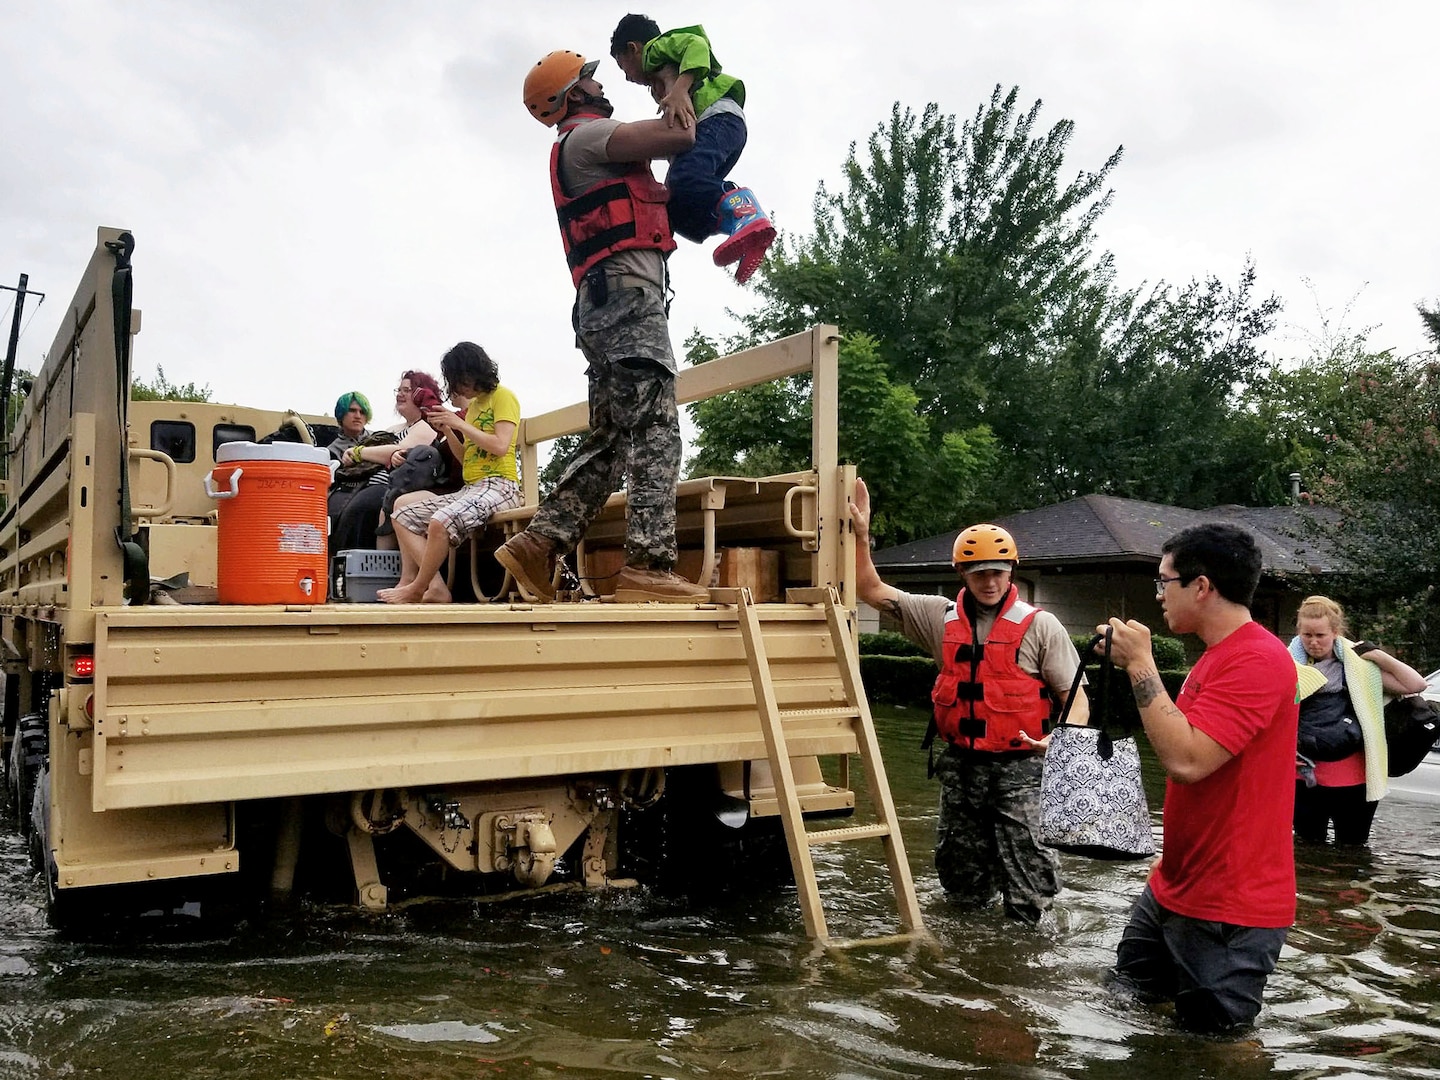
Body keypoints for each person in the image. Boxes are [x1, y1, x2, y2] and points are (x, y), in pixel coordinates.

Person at [505, 49, 709, 604]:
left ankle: (539, 543)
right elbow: (679, 136)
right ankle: (648, 566)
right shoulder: (587, 138)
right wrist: (677, 83)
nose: (603, 87)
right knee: (655, 429)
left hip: (604, 306)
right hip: (626, 306)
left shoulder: (577, 143)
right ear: (573, 96)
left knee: (614, 441)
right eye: (591, 81)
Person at [848, 478, 1088, 926]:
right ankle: (964, 966)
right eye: (980, 572)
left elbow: (1075, 698)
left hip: (1023, 771)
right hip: (962, 770)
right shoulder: (938, 617)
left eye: (999, 570)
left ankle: (1024, 965)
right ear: (963, 573)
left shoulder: (1042, 627)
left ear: (1012, 570)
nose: (990, 581)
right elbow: (870, 589)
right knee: (960, 884)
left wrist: (1063, 739)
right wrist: (862, 537)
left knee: (1030, 886)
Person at [1101, 523, 1299, 1034]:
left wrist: (1141, 664)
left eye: (1164, 582)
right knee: (1129, 1004)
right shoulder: (1216, 655)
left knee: (1217, 1046)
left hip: (1231, 906)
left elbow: (1187, 761)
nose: (1160, 594)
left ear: (1202, 586)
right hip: (1175, 886)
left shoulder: (1258, 659)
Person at [609, 14, 775, 284]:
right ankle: (742, 230)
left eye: (623, 67)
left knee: (685, 177)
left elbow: (697, 45)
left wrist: (680, 90)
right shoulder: (660, 76)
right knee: (677, 203)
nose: (627, 77)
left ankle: (745, 211)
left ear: (633, 48)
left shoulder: (656, 49)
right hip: (723, 129)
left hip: (717, 118)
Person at [378, 343, 522, 604]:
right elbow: (466, 458)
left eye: (458, 379)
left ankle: (418, 588)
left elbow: (501, 446)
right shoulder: (476, 407)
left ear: (472, 372)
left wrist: (458, 423)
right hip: (474, 487)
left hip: (501, 485)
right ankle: (435, 588)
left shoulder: (504, 397)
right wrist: (447, 430)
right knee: (402, 516)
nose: (457, 387)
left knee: (441, 521)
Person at [1290, 595, 1426, 846]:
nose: (1313, 642)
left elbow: (1416, 684)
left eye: (1320, 636)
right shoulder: (1287, 667)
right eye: (1307, 635)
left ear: (1335, 632)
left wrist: (1379, 657)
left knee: (1353, 852)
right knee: (1307, 851)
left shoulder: (1359, 669)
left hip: (1353, 780)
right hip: (1303, 778)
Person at [332, 371, 452, 553]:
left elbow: (396, 452)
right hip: (360, 486)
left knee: (360, 510)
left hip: (388, 489)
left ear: (422, 394)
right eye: (399, 389)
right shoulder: (392, 429)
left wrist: (359, 452)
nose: (400, 394)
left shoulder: (426, 426)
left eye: (407, 390)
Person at [327, 391, 373, 536]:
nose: (358, 416)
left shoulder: (379, 440)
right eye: (352, 411)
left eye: (362, 411)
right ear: (341, 414)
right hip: (344, 494)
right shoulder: (331, 451)